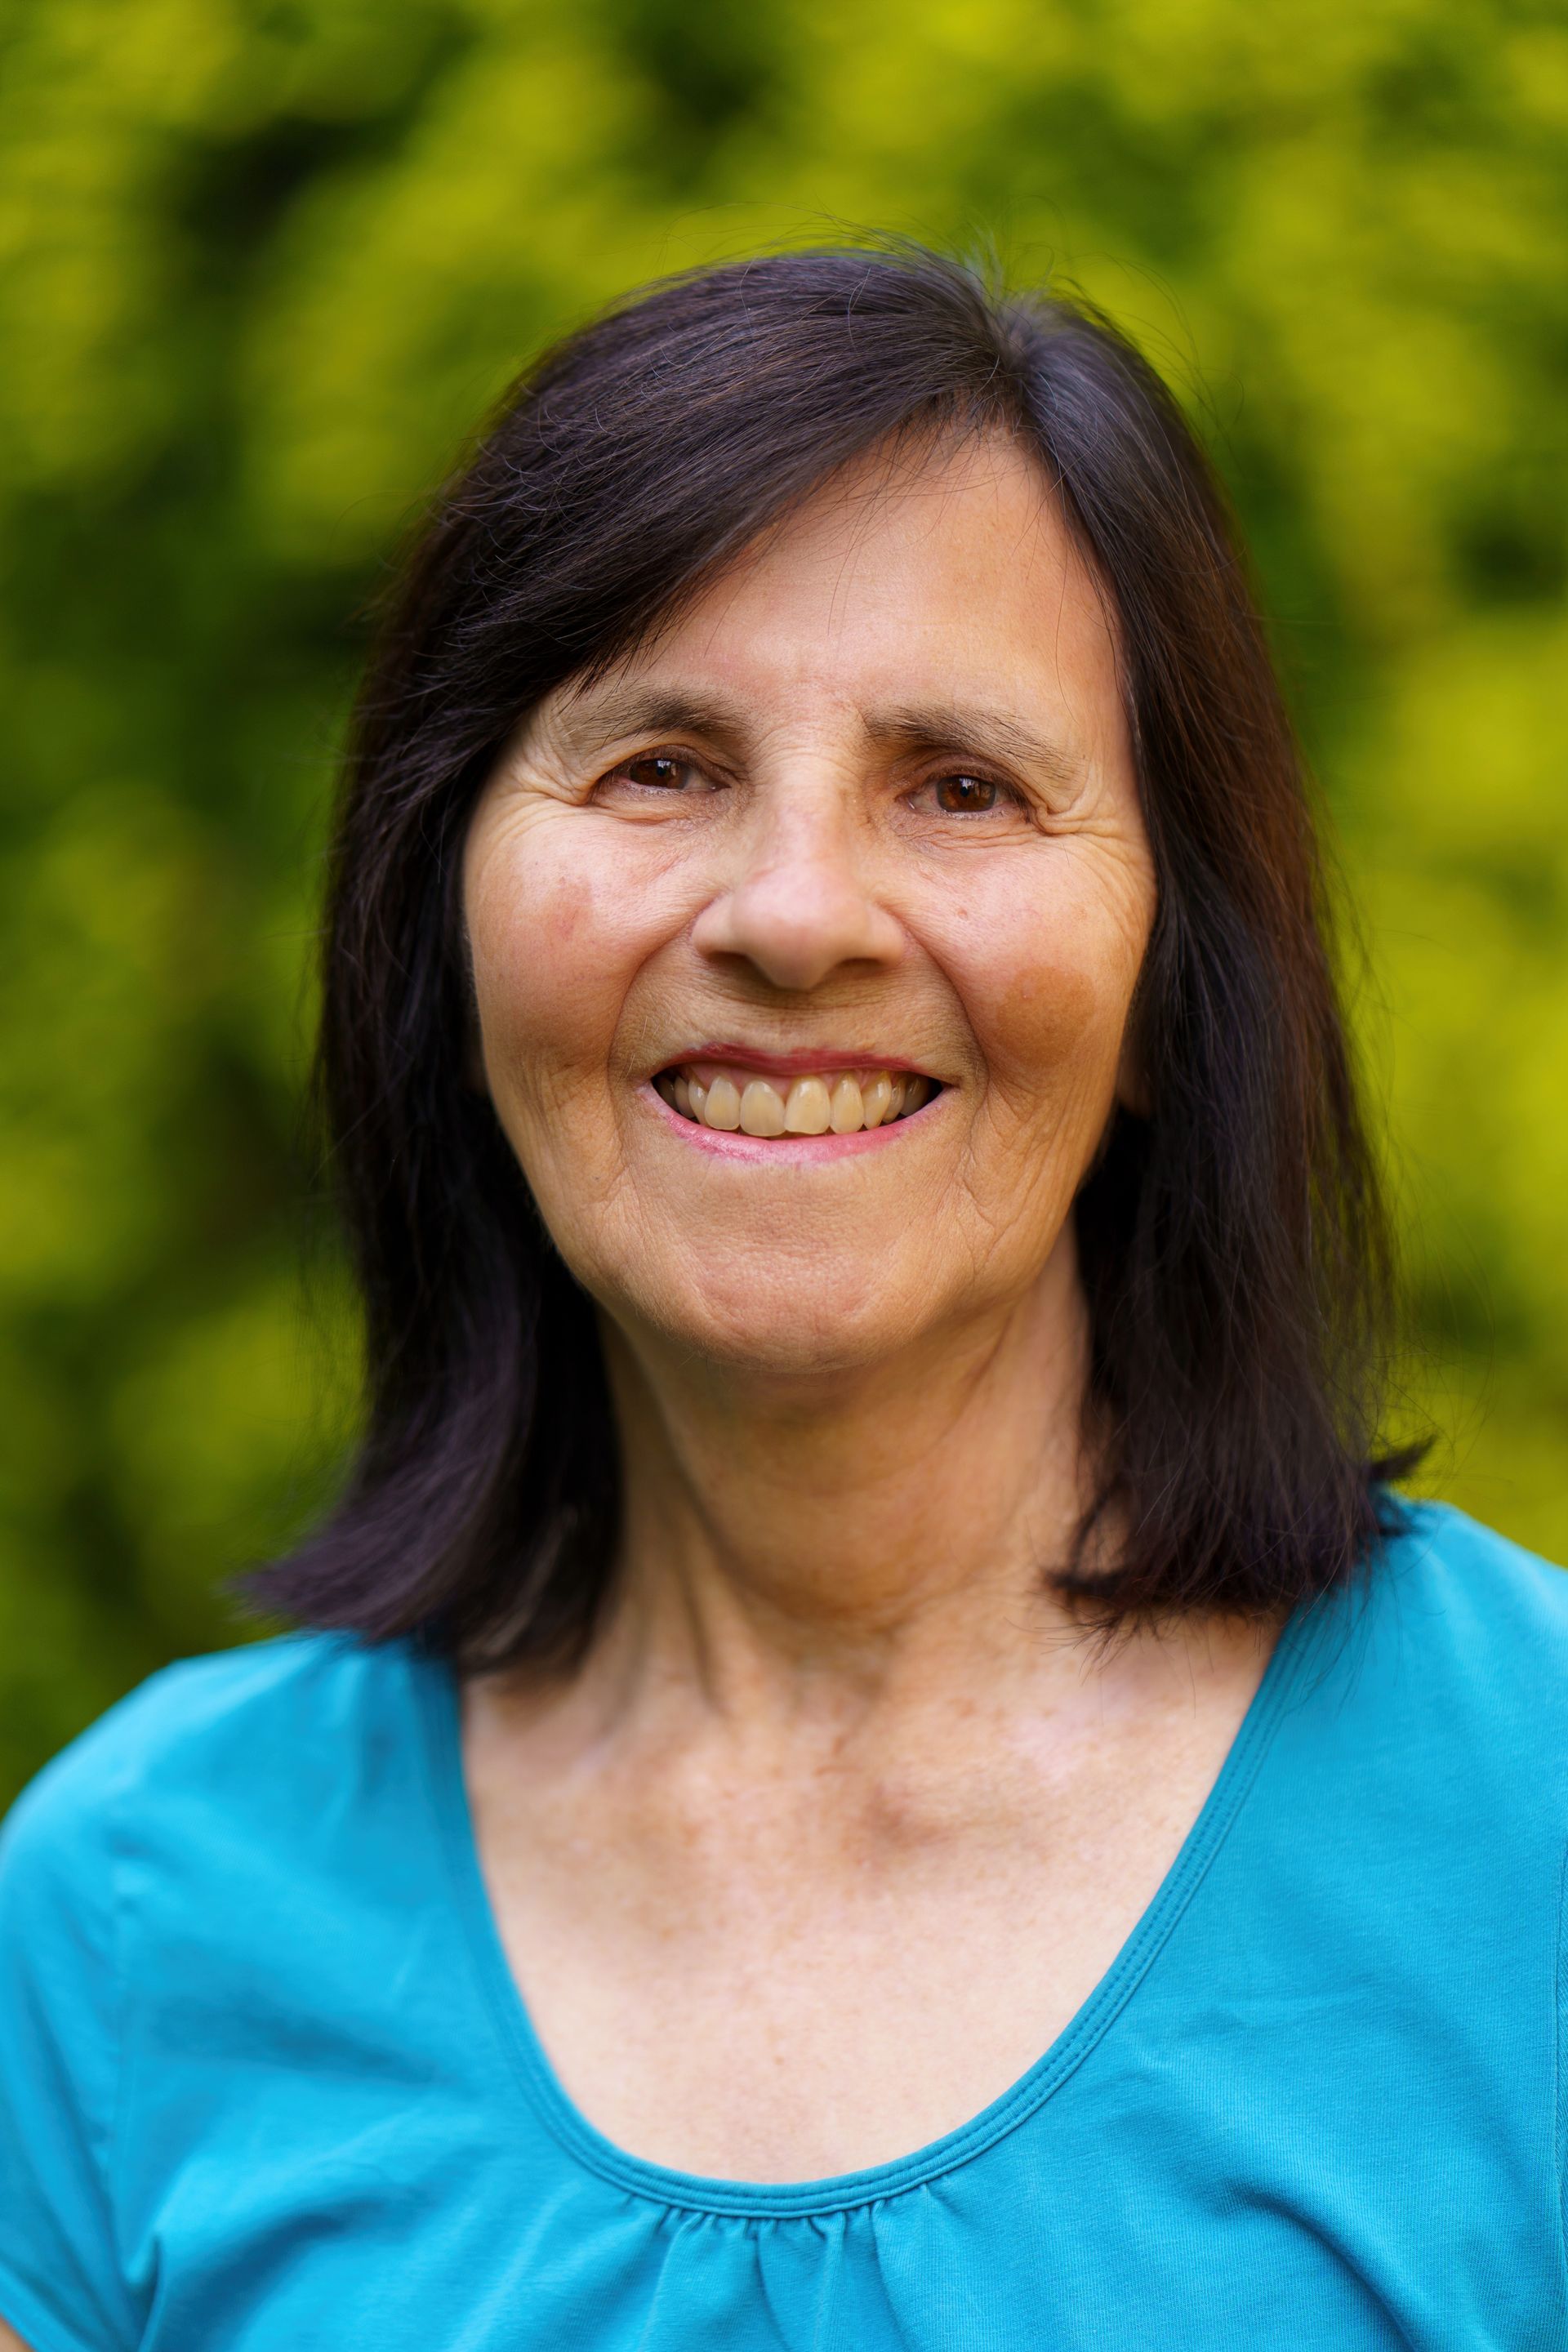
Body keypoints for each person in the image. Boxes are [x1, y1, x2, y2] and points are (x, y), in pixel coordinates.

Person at [2, 243, 1565, 2352]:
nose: (799, 912)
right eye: (660, 765)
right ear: (441, 918)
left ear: (1172, 979)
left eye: (962, 784)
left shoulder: (1534, 1830)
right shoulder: (129, 1934)